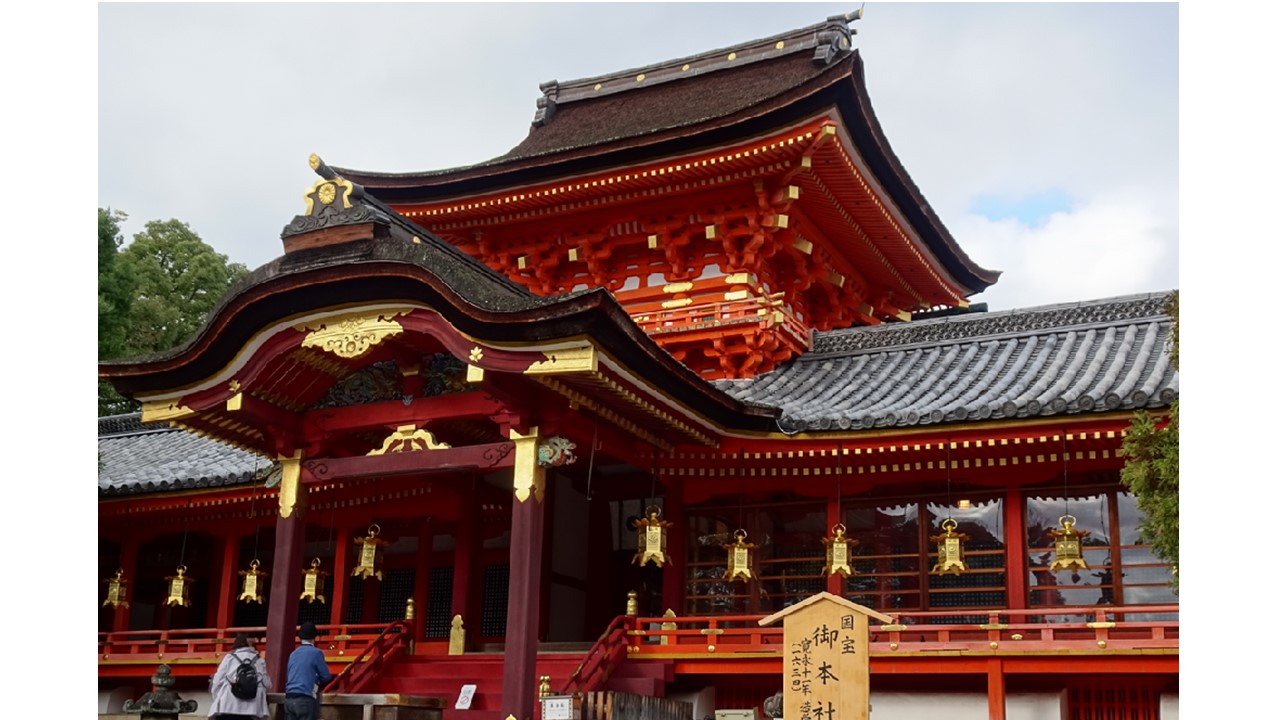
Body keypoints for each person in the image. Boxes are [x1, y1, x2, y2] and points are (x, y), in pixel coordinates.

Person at [207, 633, 271, 720]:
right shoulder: (259, 660)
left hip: (227, 705)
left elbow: (217, 681)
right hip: (252, 710)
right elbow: (267, 684)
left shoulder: (230, 657)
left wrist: (217, 697)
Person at [283, 622, 332, 720]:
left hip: (289, 698)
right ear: (315, 637)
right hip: (305, 698)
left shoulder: (293, 654)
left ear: (300, 637)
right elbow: (326, 676)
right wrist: (315, 679)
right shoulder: (316, 653)